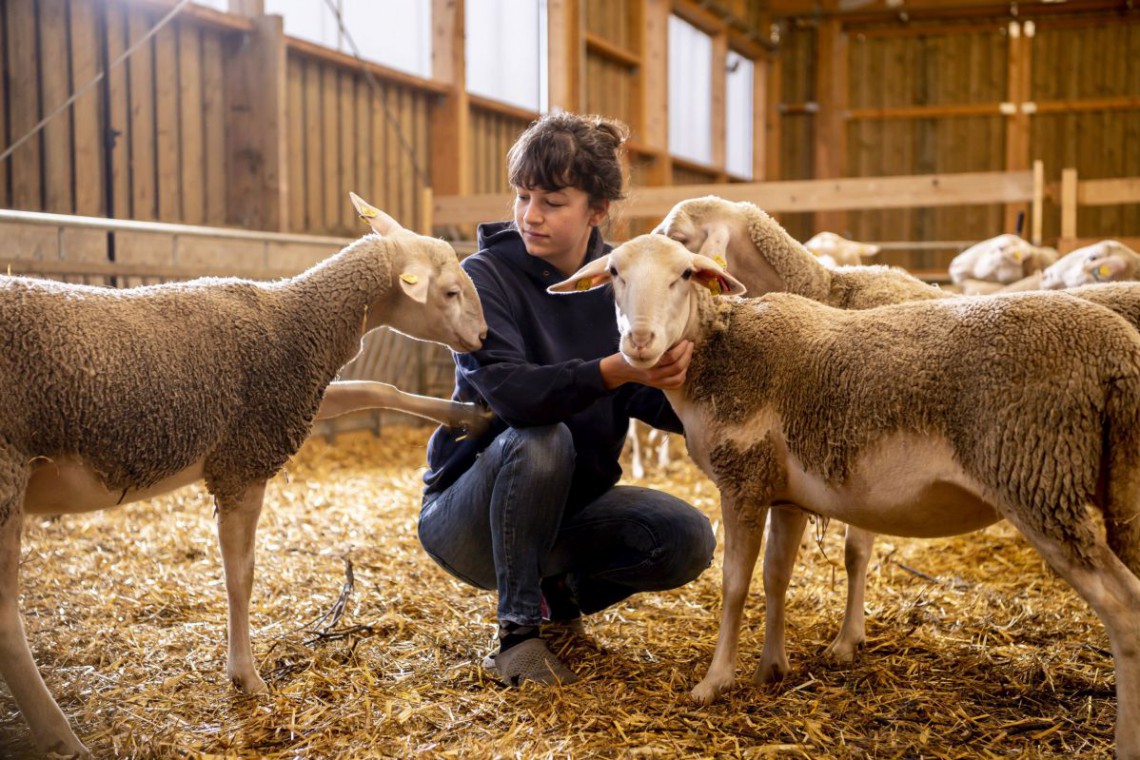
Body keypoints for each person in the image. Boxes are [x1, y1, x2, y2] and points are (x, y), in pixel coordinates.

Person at [418, 112, 716, 686]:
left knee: (685, 538)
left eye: (552, 201)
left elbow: (644, 396)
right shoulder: (484, 280)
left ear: (597, 210)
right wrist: (616, 369)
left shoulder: (626, 279)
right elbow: (515, 397)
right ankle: (517, 635)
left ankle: (558, 597)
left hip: (568, 512)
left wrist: (681, 381)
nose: (531, 215)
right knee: (541, 439)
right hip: (468, 516)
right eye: (523, 196)